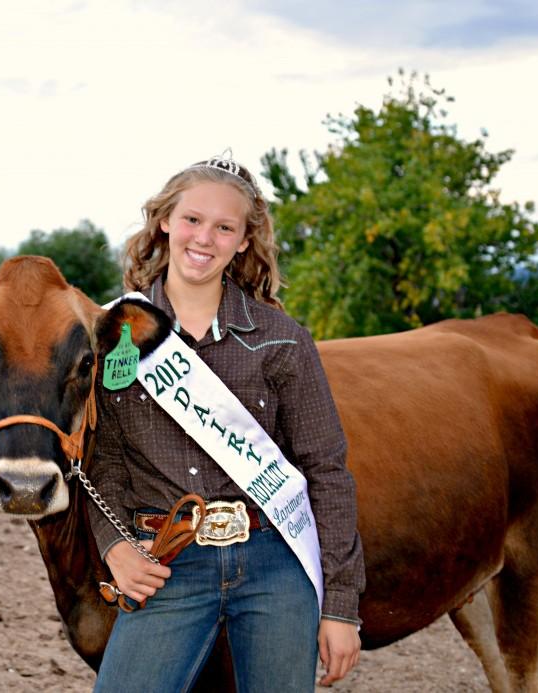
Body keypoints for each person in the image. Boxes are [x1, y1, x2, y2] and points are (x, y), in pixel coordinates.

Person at [88, 150, 364, 692]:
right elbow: (100, 459)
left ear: (242, 241)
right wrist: (115, 544)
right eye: (192, 219)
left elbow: (327, 472)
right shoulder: (111, 333)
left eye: (224, 227)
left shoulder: (282, 340)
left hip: (274, 562)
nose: (204, 238)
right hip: (166, 562)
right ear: (165, 221)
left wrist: (341, 607)